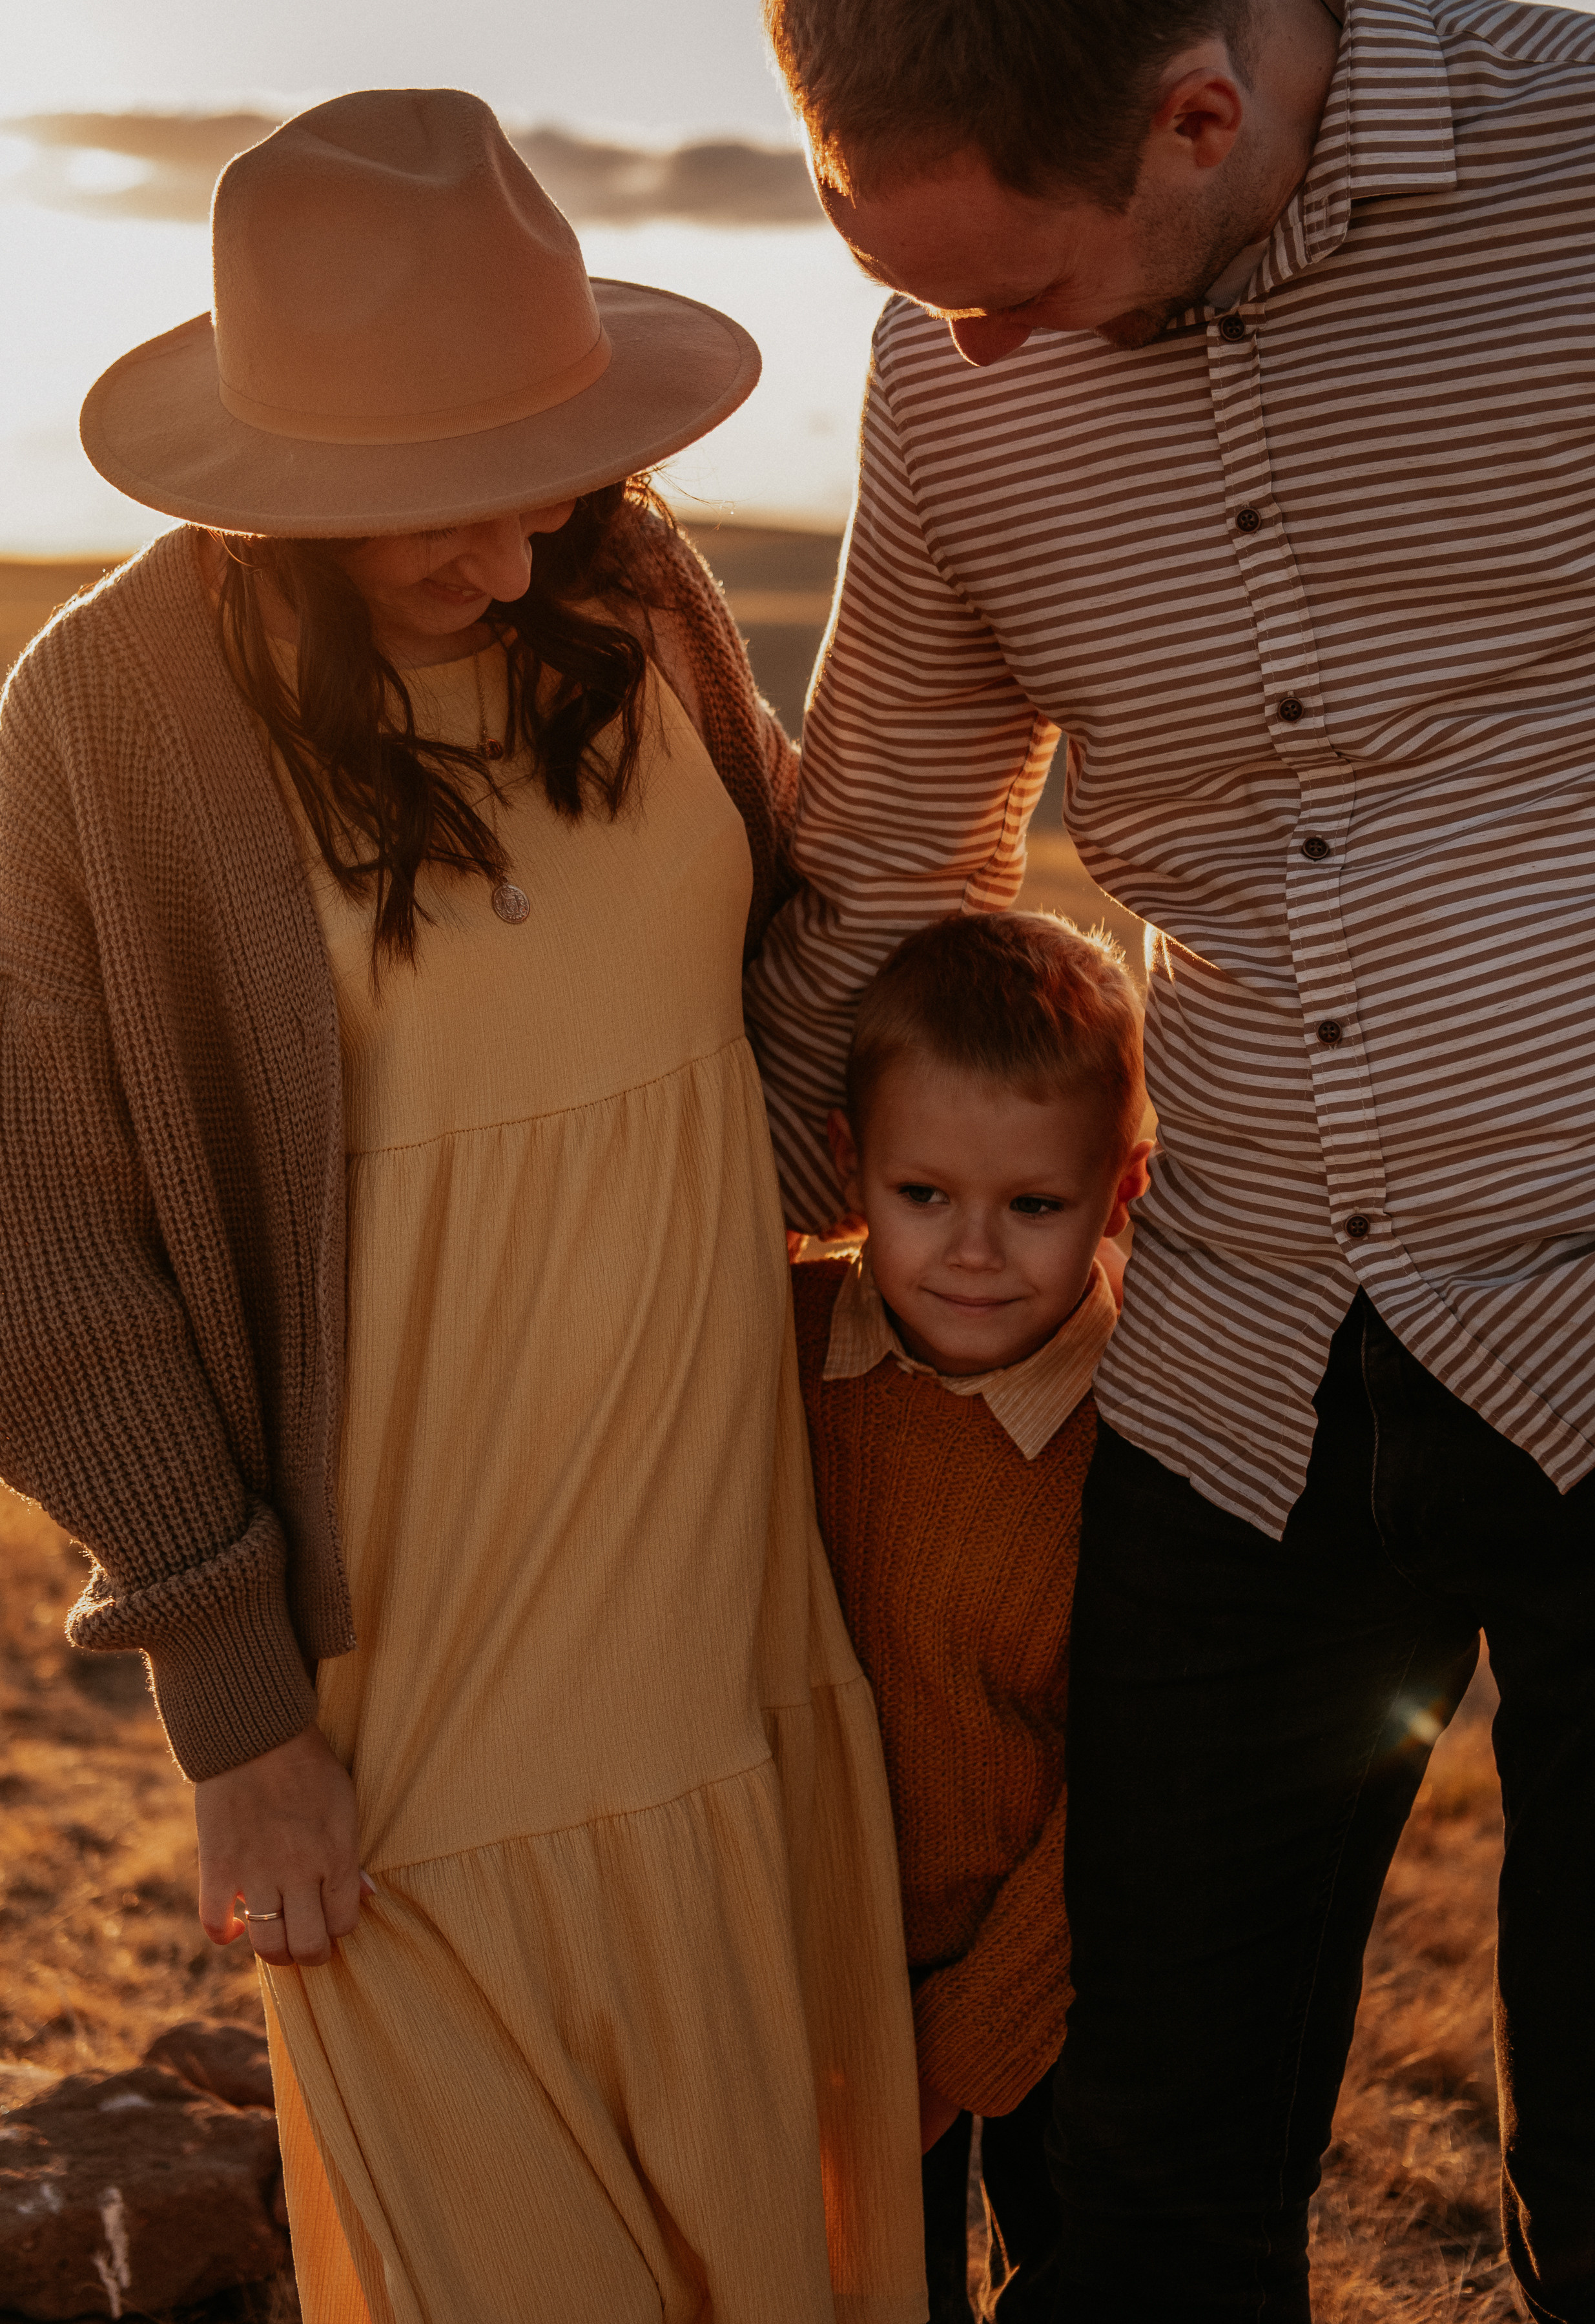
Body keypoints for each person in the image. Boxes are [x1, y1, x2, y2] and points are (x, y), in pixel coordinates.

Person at [0, 89, 924, 2324]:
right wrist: (239, 1724)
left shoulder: (630, 579)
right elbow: (43, 1249)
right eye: (441, 514)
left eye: (554, 477)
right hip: (411, 1746)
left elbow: (775, 992)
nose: (516, 561)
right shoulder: (105, 728)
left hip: (734, 1656)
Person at [746, 1, 1595, 2319]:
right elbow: (896, 852)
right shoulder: (949, 378)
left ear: (1198, 115)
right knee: (1127, 2176)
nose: (959, 347)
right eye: (899, 283)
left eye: (1006, 291)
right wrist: (681, 1247)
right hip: (1238, 1376)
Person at [792, 912, 1151, 2323]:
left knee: (1090, 2259)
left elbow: (1117, 1795)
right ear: (847, 1171)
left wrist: (956, 2053)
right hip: (823, 1948)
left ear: (1119, 1193)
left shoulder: (1130, 1447)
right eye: (923, 1195)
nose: (974, 1253)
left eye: (1035, 1207)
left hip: (1050, 1964)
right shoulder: (776, 1349)